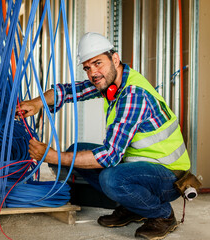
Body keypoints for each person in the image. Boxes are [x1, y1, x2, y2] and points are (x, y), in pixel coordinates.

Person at [17, 32, 191, 240]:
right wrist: (37, 103)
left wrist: (53, 156)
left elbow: (109, 156)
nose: (93, 73)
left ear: (115, 59)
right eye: (88, 68)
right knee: (75, 152)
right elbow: (70, 91)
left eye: (98, 63)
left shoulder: (133, 94)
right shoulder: (110, 82)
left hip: (168, 175)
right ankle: (135, 207)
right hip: (140, 164)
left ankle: (162, 214)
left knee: (111, 178)